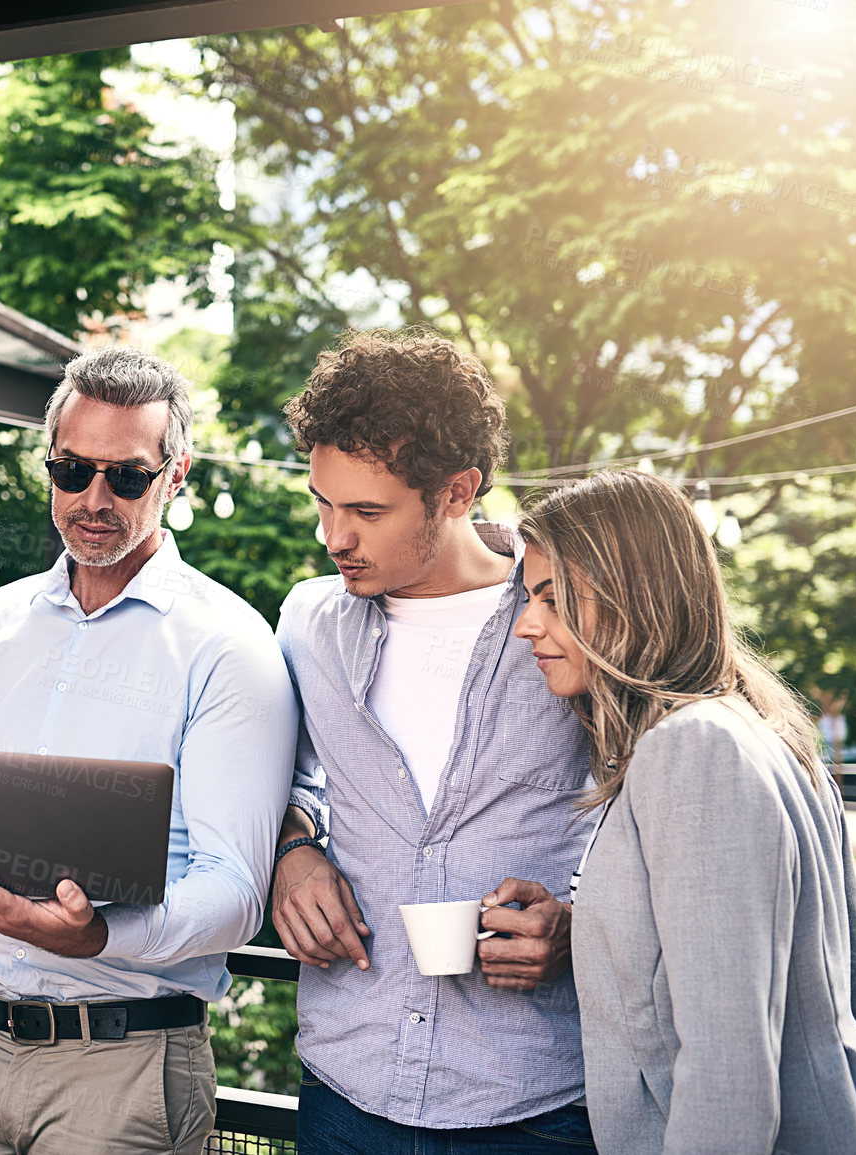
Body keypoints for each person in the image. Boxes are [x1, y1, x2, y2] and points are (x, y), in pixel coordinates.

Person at [0, 346, 298, 1154]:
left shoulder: (228, 645)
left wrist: (95, 937)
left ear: (175, 475)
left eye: (125, 476)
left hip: (125, 1066)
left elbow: (235, 893)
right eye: (72, 468)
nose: (93, 498)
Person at [513, 468, 856, 1154]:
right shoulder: (765, 725)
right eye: (529, 598)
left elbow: (727, 1085)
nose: (527, 624)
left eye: (553, 599)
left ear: (632, 594)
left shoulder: (691, 750)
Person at [270, 329, 596, 1152]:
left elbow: (645, 807)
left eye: (366, 511)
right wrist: (290, 849)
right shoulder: (308, 622)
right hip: (346, 1086)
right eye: (322, 501)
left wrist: (579, 922)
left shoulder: (570, 617)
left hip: (532, 1099)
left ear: (457, 491)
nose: (332, 537)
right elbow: (291, 778)